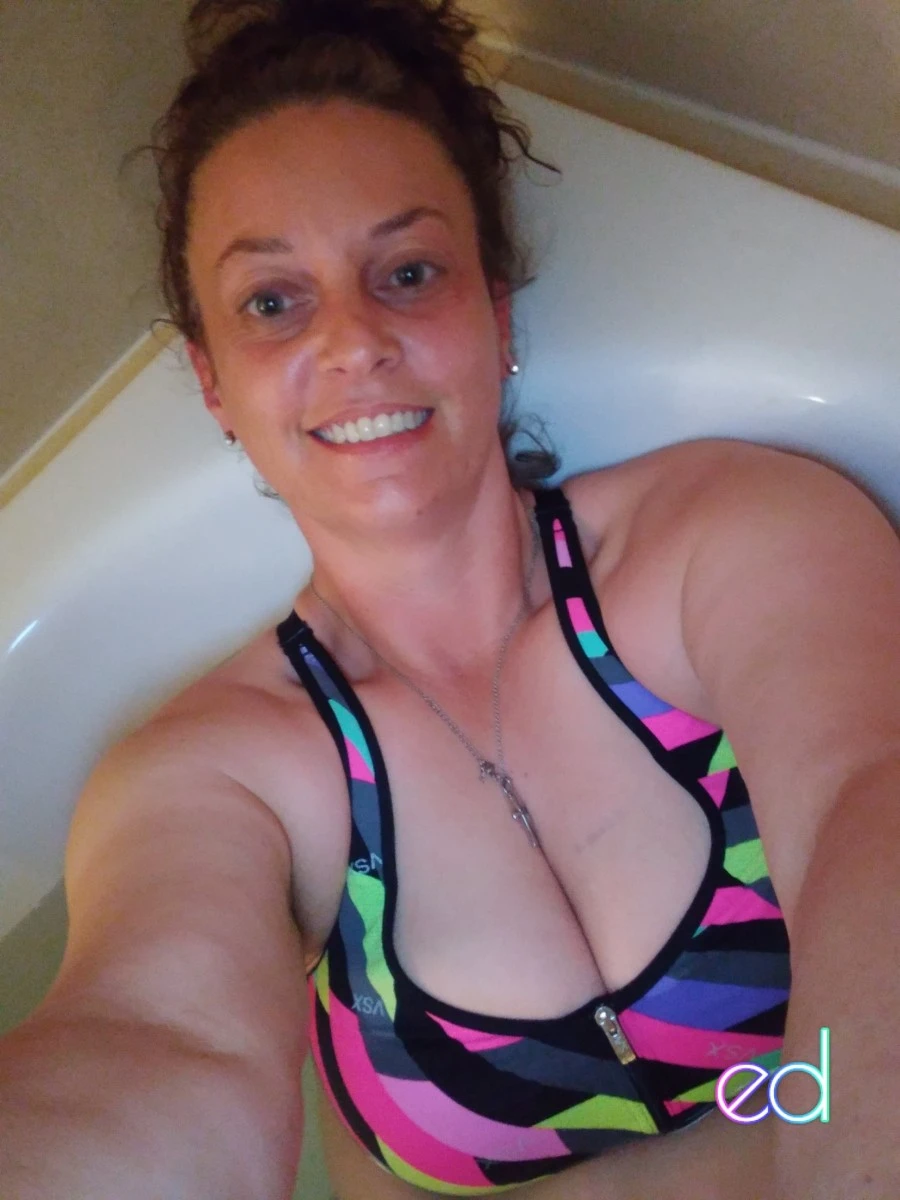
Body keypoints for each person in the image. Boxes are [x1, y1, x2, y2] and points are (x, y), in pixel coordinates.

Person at [1, 1, 898, 1197]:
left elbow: (866, 813)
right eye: (272, 301)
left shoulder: (731, 538)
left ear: (494, 314)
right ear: (214, 385)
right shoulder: (215, 773)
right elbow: (158, 1042)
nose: (353, 340)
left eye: (408, 273)